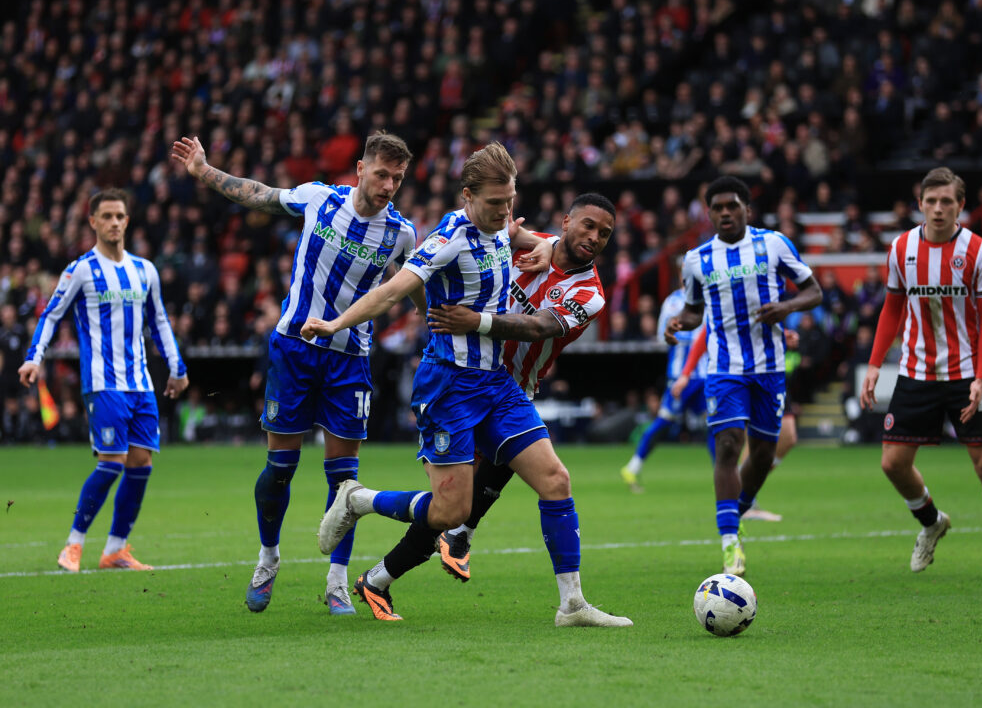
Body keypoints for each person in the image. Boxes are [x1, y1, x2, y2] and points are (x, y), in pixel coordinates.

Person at [303, 143, 631, 627]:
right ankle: (358, 501)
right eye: (496, 204)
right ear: (468, 196)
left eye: (510, 203)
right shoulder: (450, 238)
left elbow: (536, 306)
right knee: (449, 509)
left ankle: (572, 604)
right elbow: (394, 287)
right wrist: (336, 324)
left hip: (501, 385)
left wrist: (525, 255)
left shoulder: (535, 250)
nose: (506, 214)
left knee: (555, 480)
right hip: (450, 385)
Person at [170, 130, 426, 614]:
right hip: (294, 348)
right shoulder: (319, 199)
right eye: (381, 173)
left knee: (345, 481)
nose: (388, 184)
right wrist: (204, 171)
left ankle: (336, 582)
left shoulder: (402, 234)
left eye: (397, 177)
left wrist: (432, 317)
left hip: (350, 358)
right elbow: (260, 194)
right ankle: (268, 558)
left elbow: (415, 283)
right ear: (360, 169)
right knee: (280, 469)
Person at [860, 167, 982, 581]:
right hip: (915, 372)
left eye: (947, 202)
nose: (938, 209)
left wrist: (981, 377)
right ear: (920, 204)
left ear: (960, 206)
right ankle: (932, 521)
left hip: (964, 375)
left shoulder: (981, 252)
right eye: (931, 201)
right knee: (892, 463)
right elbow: (892, 309)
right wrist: (873, 363)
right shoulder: (901, 249)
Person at [19, 189, 189, 572]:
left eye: (120, 216)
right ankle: (73, 544)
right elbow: (50, 315)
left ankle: (115, 550)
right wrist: (34, 358)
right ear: (92, 221)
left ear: (127, 221)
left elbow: (159, 320)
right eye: (107, 216)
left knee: (141, 462)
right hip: (103, 381)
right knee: (112, 461)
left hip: (141, 383)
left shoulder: (145, 270)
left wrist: (176, 368)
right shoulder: (80, 269)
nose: (114, 222)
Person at [665, 175, 822, 576]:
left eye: (731, 206)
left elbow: (814, 292)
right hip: (723, 368)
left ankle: (738, 510)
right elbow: (695, 311)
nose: (724, 213)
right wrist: (678, 323)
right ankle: (730, 542)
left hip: (769, 368)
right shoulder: (697, 260)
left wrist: (786, 308)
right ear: (709, 214)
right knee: (730, 445)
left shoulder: (773, 245)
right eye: (716, 208)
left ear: (746, 210)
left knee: (765, 453)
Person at [669, 327, 803, 522]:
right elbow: (707, 331)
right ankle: (744, 501)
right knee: (747, 436)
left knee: (788, 437)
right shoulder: (727, 301)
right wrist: (686, 373)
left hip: (770, 369)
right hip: (738, 371)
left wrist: (783, 335)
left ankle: (741, 490)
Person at [619, 278, 708, 494]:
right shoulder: (674, 302)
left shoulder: (708, 300)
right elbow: (663, 337)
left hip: (705, 375)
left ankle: (726, 476)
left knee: (715, 424)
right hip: (681, 376)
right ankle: (632, 466)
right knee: (664, 422)